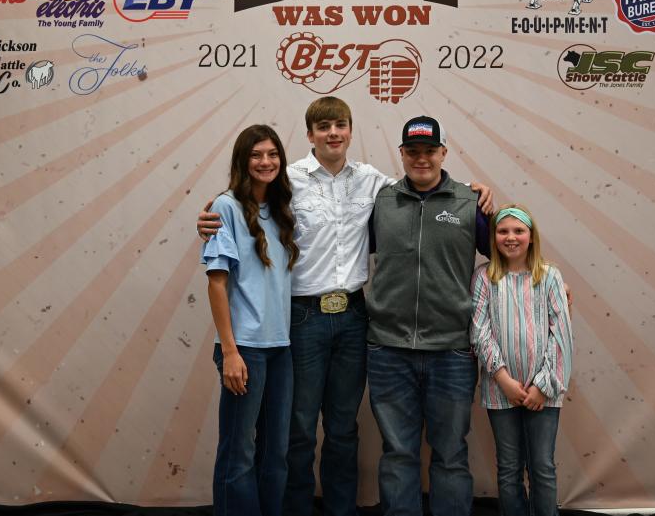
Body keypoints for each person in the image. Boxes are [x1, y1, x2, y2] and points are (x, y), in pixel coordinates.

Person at [198, 99, 493, 516]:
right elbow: (247, 200)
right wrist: (212, 215)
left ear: (351, 131)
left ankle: (341, 511)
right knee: (298, 430)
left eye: (340, 125)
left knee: (342, 429)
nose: (332, 133)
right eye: (323, 126)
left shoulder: (375, 183)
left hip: (356, 318)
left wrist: (474, 191)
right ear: (310, 135)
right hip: (302, 318)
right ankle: (296, 509)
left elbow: (425, 188)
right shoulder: (287, 178)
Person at [366, 115, 490, 516]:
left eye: (429, 151)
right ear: (402, 154)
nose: (422, 159)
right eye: (413, 152)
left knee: (451, 453)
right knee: (398, 453)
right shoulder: (380, 202)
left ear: (443, 153)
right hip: (388, 349)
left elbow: (511, 254)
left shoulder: (470, 202)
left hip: (451, 351)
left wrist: (549, 281)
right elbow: (330, 243)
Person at [202, 124, 299, 516]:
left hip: (281, 348)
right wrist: (229, 352)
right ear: (243, 161)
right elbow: (216, 284)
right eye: (257, 155)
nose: (265, 162)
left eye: (272, 154)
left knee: (275, 452)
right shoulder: (225, 207)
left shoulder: (280, 211)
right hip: (244, 349)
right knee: (238, 452)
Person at [470, 204, 573, 516]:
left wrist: (543, 386)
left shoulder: (550, 277)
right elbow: (479, 331)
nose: (510, 237)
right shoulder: (484, 277)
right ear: (493, 237)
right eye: (503, 231)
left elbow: (562, 335)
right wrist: (503, 379)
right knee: (509, 467)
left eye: (518, 231)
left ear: (531, 236)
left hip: (545, 390)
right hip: (501, 389)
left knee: (542, 466)